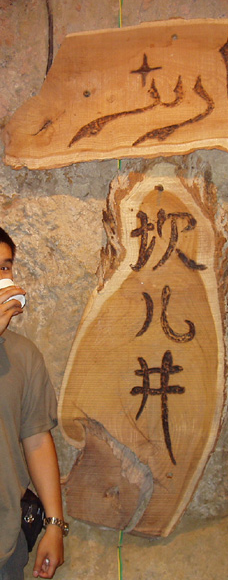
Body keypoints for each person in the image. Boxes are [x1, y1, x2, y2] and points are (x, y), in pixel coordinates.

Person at [0, 227, 67, 580]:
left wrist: (54, 525)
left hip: (6, 544)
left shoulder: (23, 355)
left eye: (4, 267)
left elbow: (37, 439)